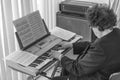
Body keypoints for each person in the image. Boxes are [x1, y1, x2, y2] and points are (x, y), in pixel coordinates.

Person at [50, 4, 120, 80]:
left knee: (56, 78)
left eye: (91, 25)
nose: (90, 27)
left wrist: (60, 56)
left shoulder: (100, 48)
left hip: (93, 76)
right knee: (66, 68)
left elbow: (78, 69)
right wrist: (71, 45)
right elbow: (92, 45)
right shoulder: (116, 33)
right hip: (105, 70)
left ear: (99, 27)